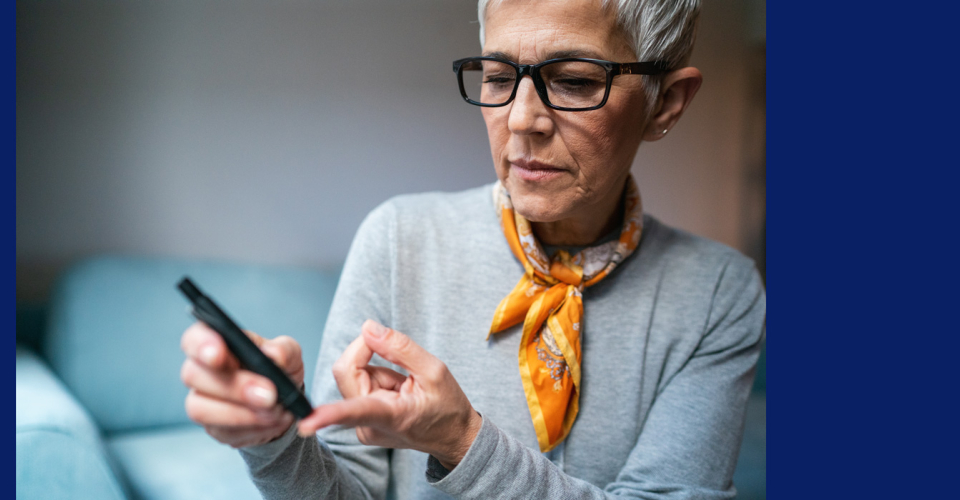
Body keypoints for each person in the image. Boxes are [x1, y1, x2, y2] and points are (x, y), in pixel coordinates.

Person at [179, 0, 765, 498]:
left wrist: (460, 441)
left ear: (666, 103)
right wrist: (276, 440)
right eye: (499, 77)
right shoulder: (398, 238)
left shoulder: (718, 293)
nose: (521, 120)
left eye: (576, 81)